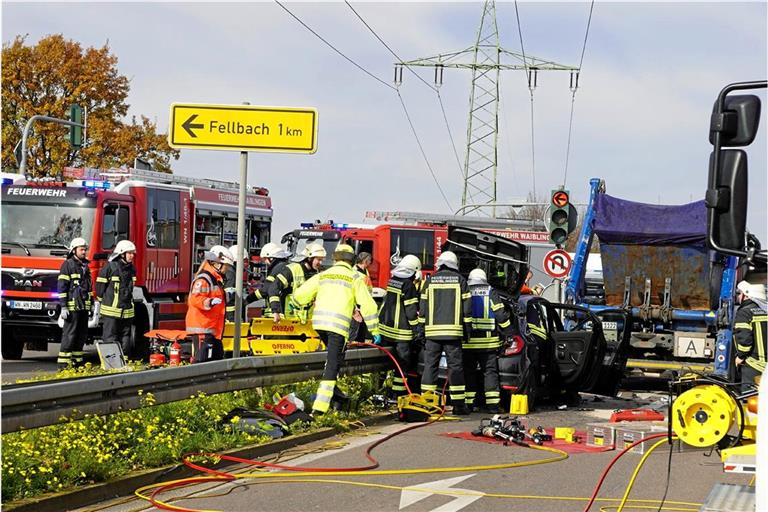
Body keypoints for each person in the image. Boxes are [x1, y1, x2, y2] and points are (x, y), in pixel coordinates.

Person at [292, 244, 380, 416]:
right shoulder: (355, 277)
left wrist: (295, 304)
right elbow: (368, 305)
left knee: (334, 361)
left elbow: (300, 294)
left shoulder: (324, 274)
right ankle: (320, 409)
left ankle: (339, 399)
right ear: (352, 259)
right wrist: (374, 330)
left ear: (335, 258)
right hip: (337, 328)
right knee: (332, 366)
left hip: (319, 325)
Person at [419, 251, 473, 415]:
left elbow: (422, 309)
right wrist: (467, 331)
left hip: (432, 334)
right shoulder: (460, 280)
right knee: (455, 368)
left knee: (430, 366)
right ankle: (458, 405)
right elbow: (467, 309)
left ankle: (428, 403)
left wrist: (421, 331)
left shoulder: (429, 281)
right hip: (453, 333)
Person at [464, 268, 514, 413]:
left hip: (468, 342)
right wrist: (509, 332)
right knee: (490, 372)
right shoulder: (490, 291)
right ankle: (492, 406)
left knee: (469, 373)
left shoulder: (465, 289)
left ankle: (469, 404)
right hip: (488, 342)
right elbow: (500, 315)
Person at [378, 254, 423, 397]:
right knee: (402, 364)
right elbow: (410, 310)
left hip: (385, 329)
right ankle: (397, 395)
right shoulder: (408, 285)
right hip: (400, 333)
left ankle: (380, 390)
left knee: (384, 364)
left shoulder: (393, 280)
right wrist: (417, 328)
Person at [185, 245, 233, 362]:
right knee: (202, 362)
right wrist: (209, 302)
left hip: (212, 330)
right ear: (217, 263)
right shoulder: (204, 279)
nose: (226, 269)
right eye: (226, 266)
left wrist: (229, 295)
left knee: (215, 360)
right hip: (203, 329)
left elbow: (217, 298)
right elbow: (195, 299)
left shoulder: (216, 279)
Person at [96, 240, 137, 359]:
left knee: (125, 338)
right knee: (110, 338)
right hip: (111, 312)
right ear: (121, 254)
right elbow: (100, 289)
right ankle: (111, 364)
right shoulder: (110, 267)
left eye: (133, 253)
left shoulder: (131, 269)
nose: (132, 256)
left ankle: (123, 364)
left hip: (127, 311)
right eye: (129, 253)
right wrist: (103, 301)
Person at [57, 237, 92, 369]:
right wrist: (64, 306)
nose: (84, 252)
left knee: (81, 336)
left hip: (83, 307)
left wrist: (90, 305)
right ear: (74, 250)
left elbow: (88, 288)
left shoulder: (84, 266)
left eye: (85, 250)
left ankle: (77, 363)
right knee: (70, 335)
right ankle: (64, 365)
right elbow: (62, 287)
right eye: (81, 249)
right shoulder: (68, 265)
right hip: (72, 308)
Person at [270, 242, 326, 321]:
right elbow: (273, 288)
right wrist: (275, 311)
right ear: (310, 258)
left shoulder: (318, 274)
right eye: (318, 259)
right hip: (289, 321)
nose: (321, 263)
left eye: (322, 260)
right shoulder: (292, 270)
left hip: (308, 323)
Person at [734, 280, 767, 392]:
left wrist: (740, 357)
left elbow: (745, 341)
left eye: (739, 293)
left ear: (746, 295)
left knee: (750, 400)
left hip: (754, 365)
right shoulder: (765, 310)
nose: (738, 296)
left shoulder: (745, 313)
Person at [258, 242, 292, 323]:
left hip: (276, 314)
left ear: (271, 258)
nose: (265, 263)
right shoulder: (287, 266)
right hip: (287, 311)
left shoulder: (276, 269)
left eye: (265, 259)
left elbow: (265, 290)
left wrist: (247, 300)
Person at [224, 244, 250, 323]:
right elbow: (230, 299)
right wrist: (231, 319)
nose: (246, 265)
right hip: (229, 317)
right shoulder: (231, 274)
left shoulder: (231, 272)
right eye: (244, 261)